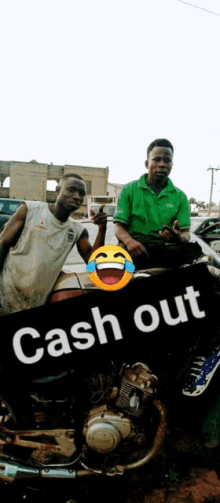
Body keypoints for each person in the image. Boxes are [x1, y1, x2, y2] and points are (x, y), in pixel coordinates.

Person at [0, 173, 107, 314]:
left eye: (81, 194)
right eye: (71, 190)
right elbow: (2, 243)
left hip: (35, 304)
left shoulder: (77, 231)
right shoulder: (29, 210)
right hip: (4, 298)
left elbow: (93, 263)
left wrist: (102, 229)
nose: (77, 197)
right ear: (58, 190)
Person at [113, 138, 203, 269]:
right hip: (135, 250)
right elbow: (119, 228)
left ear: (172, 164)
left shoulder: (180, 196)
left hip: (166, 249)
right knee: (113, 261)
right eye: (157, 159)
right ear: (146, 163)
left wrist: (178, 237)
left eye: (167, 160)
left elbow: (186, 234)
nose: (162, 164)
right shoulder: (129, 190)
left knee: (195, 251)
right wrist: (130, 242)